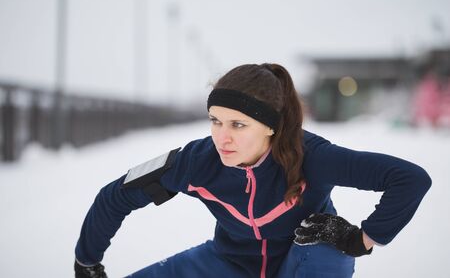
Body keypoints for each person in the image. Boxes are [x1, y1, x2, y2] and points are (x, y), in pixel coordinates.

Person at [74, 63, 431, 278]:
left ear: (270, 127)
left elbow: (409, 179)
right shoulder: (197, 161)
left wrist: (360, 239)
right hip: (228, 262)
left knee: (328, 246)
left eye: (238, 125)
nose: (222, 138)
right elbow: (116, 195)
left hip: (301, 264)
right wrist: (86, 262)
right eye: (216, 121)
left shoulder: (314, 156)